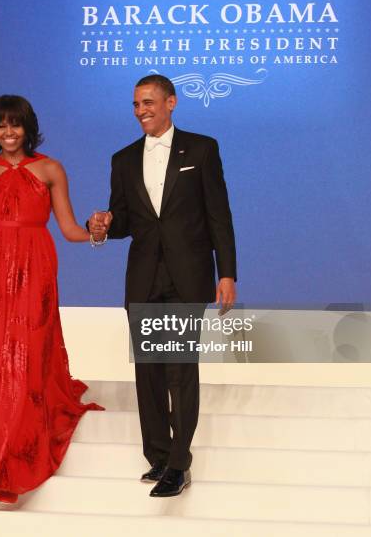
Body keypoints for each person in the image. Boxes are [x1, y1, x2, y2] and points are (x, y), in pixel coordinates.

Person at [89, 74, 236, 497]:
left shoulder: (203, 149)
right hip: (144, 276)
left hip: (187, 275)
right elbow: (124, 220)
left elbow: (218, 215)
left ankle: (179, 463)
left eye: (149, 102)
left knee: (179, 370)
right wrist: (101, 228)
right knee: (149, 373)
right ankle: (157, 456)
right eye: (136, 104)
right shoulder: (123, 158)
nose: (141, 111)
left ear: (171, 102)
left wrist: (226, 272)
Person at [0, 94, 103, 503]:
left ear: (28, 127)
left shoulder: (51, 169)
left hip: (35, 270)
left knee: (29, 358)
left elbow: (70, 228)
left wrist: (97, 230)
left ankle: (19, 453)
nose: (8, 133)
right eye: (0, 126)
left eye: (15, 125)